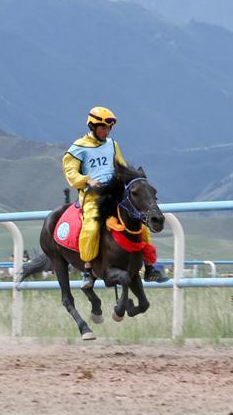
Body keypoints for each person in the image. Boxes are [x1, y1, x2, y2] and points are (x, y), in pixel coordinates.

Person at [62, 106, 167, 289]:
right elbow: (70, 173)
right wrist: (87, 180)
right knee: (91, 226)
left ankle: (149, 267)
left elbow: (121, 168)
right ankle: (88, 269)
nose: (107, 131)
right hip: (93, 197)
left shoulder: (112, 145)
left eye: (109, 128)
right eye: (103, 127)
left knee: (141, 223)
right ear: (93, 126)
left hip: (115, 195)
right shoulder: (78, 148)